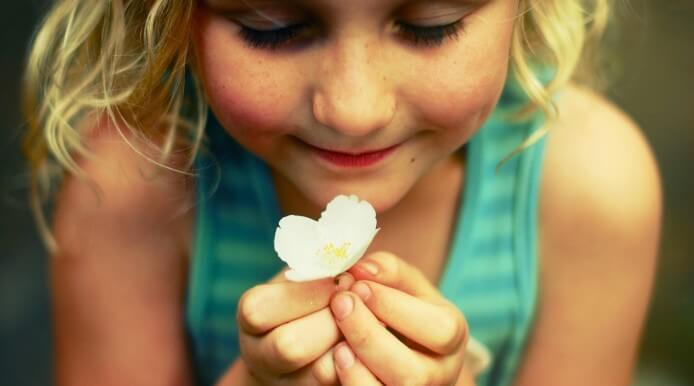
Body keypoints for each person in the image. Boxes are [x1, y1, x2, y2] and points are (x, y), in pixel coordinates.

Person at [22, 0, 662, 385]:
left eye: (431, 23)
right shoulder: (132, 180)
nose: (354, 109)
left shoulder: (591, 185)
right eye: (271, 26)